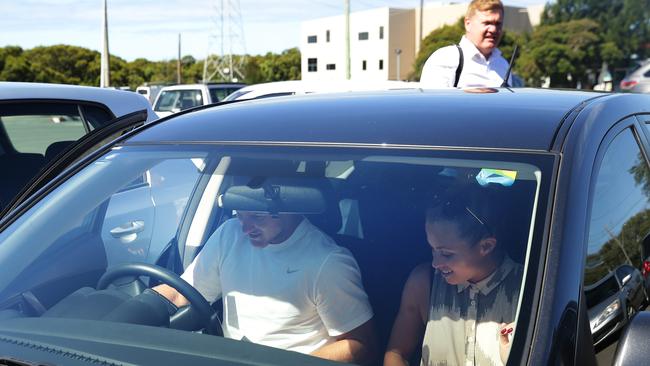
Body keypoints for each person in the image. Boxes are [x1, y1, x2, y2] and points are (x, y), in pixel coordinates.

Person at [155, 210, 377, 365]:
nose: (245, 227)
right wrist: (133, 309)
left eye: (256, 216)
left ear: (289, 208)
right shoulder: (229, 234)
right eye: (240, 215)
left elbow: (361, 344)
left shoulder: (328, 262)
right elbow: (180, 293)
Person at [384, 185, 522, 366]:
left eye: (447, 254)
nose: (435, 263)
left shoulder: (529, 289)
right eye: (432, 249)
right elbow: (395, 354)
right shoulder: (423, 282)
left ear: (486, 246)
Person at [419, 0, 512, 88]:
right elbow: (433, 103)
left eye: (498, 24)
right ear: (468, 24)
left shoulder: (503, 65)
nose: (493, 30)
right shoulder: (444, 59)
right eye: (487, 23)